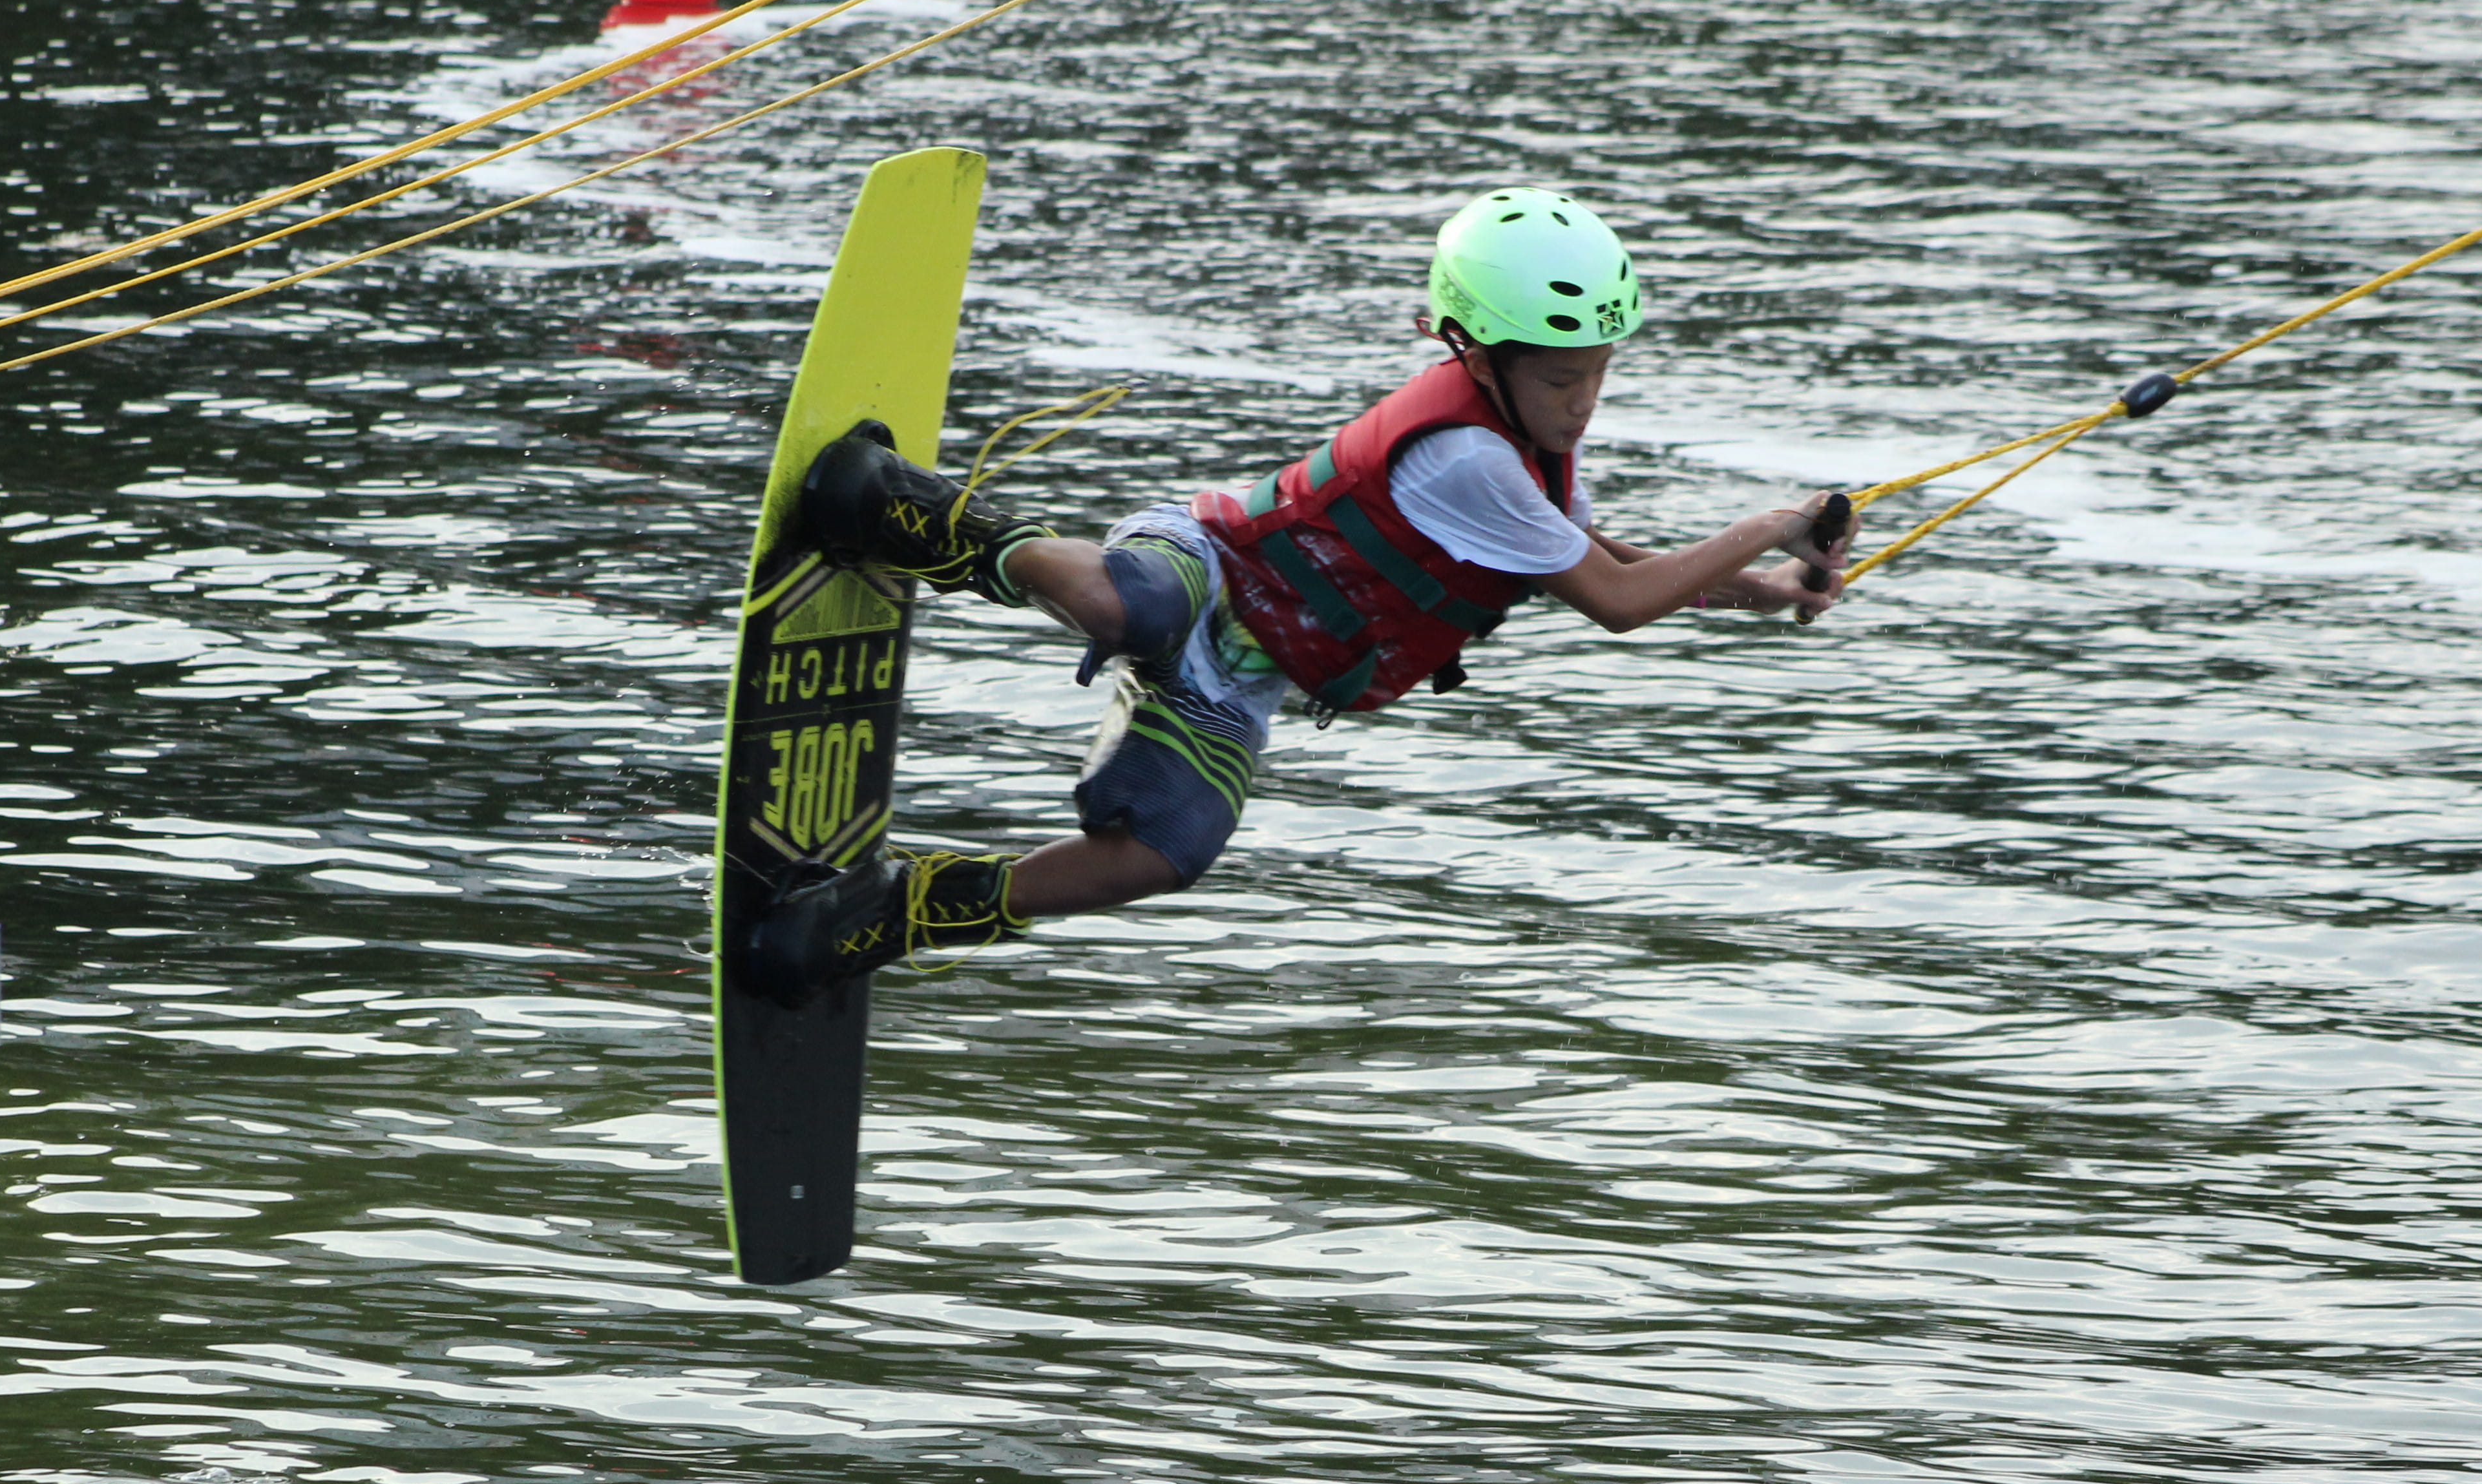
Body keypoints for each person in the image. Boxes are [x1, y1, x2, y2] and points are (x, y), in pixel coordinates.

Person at [742, 187, 1853, 999]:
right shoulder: (1466, 457)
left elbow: (1612, 566)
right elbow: (1619, 601)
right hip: (1210, 567)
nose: (1584, 404)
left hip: (1250, 678)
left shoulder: (1525, 459)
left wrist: (1772, 589)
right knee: (1136, 609)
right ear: (1473, 351)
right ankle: (907, 516)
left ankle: (893, 914)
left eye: (1600, 376)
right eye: (1563, 379)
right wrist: (1770, 520)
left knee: (1171, 852)